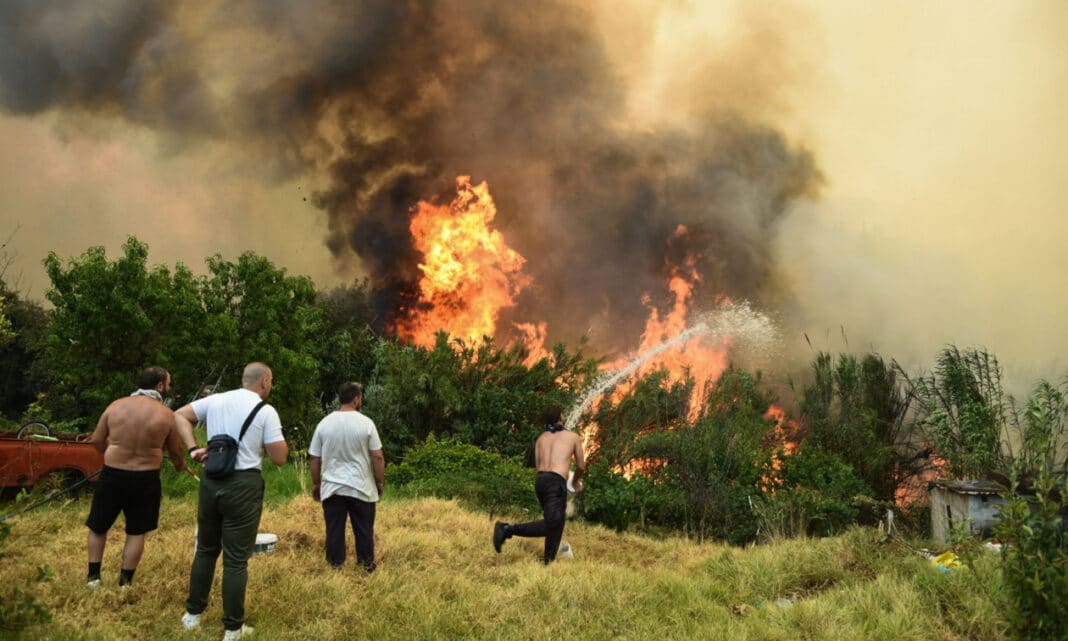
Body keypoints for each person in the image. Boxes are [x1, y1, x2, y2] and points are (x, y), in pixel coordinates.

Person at [175, 362, 288, 641]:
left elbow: (179, 415)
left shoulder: (215, 400)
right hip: (243, 484)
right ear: (265, 381)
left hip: (211, 480)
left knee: (205, 550)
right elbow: (279, 458)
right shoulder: (266, 411)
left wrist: (193, 449)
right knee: (236, 560)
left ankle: (192, 616)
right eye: (271, 382)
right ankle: (233, 629)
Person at [85, 366, 199, 588]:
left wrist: (112, 452)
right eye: (169, 384)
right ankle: (125, 583)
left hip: (113, 474)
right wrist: (180, 465)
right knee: (136, 531)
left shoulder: (115, 406)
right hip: (145, 478)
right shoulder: (166, 415)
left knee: (98, 526)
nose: (169, 387)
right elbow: (175, 452)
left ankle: (93, 578)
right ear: (160, 386)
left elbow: (97, 440)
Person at [493, 405, 586, 564]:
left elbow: (538, 466)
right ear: (560, 417)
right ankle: (507, 529)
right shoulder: (573, 437)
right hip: (556, 483)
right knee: (552, 525)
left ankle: (548, 562)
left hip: (541, 482)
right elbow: (581, 467)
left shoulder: (541, 438)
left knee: (557, 522)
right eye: (563, 413)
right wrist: (575, 482)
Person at [308, 381, 385, 572]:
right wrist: (379, 482)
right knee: (364, 530)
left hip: (332, 488)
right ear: (356, 399)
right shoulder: (366, 423)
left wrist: (317, 484)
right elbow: (377, 456)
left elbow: (314, 458)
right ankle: (366, 566)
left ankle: (335, 567)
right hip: (362, 487)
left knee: (334, 530)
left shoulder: (324, 424)